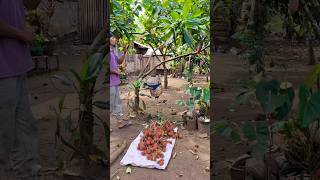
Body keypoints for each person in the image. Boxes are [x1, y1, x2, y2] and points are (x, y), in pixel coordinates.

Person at [0, 0, 41, 179]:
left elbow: (29, 4)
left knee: (25, 133)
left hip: (17, 66)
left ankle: (27, 175)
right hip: (2, 71)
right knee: (3, 136)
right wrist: (20, 34)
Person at [108, 32, 127, 118]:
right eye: (113, 38)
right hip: (109, 82)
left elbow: (119, 61)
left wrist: (124, 52)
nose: (115, 39)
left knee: (117, 102)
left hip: (114, 81)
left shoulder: (112, 52)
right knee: (110, 102)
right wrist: (115, 72)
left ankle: (120, 122)